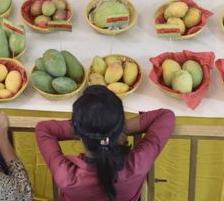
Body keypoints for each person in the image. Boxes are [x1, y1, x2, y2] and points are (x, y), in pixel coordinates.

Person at [35, 85, 175, 201]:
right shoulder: (137, 164)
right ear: (120, 126)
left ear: (77, 132)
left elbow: (43, 129)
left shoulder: (66, 175)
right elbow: (166, 116)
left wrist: (86, 129)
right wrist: (115, 128)